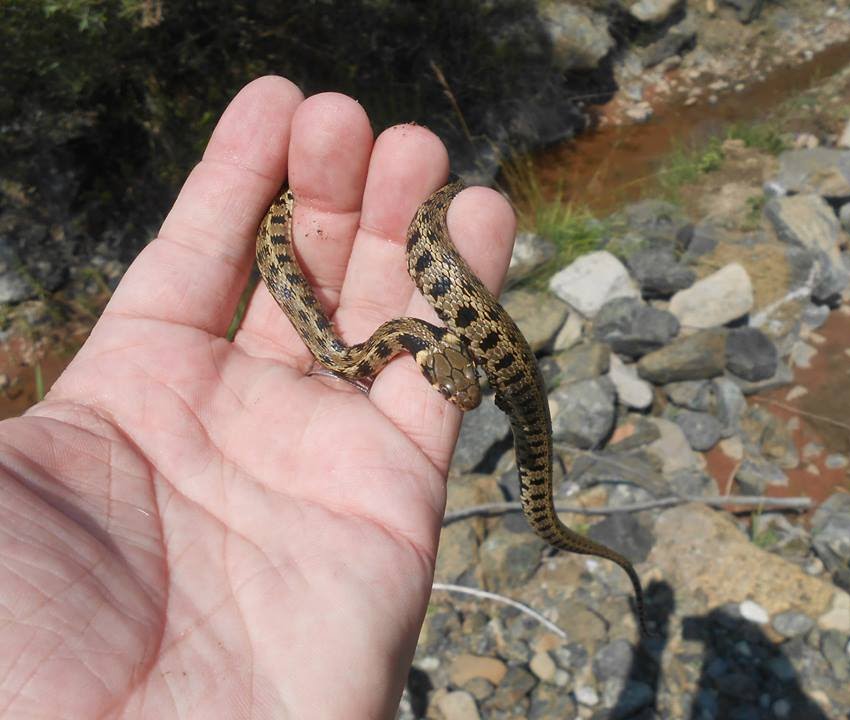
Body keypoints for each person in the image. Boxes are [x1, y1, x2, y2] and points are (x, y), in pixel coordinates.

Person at [0, 76, 516, 718]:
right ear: (427, 356)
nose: (452, 394)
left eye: (451, 383)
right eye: (448, 383)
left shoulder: (405, 342)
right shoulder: (388, 342)